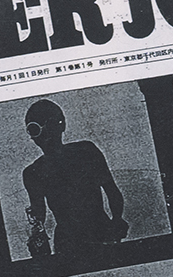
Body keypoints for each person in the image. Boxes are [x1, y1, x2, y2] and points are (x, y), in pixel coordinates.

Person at [18, 99, 131, 258]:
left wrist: (117, 221)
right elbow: (39, 220)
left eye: (49, 125)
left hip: (89, 236)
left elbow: (112, 192)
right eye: (35, 129)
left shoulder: (86, 152)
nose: (44, 134)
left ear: (62, 124)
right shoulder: (34, 173)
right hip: (81, 239)